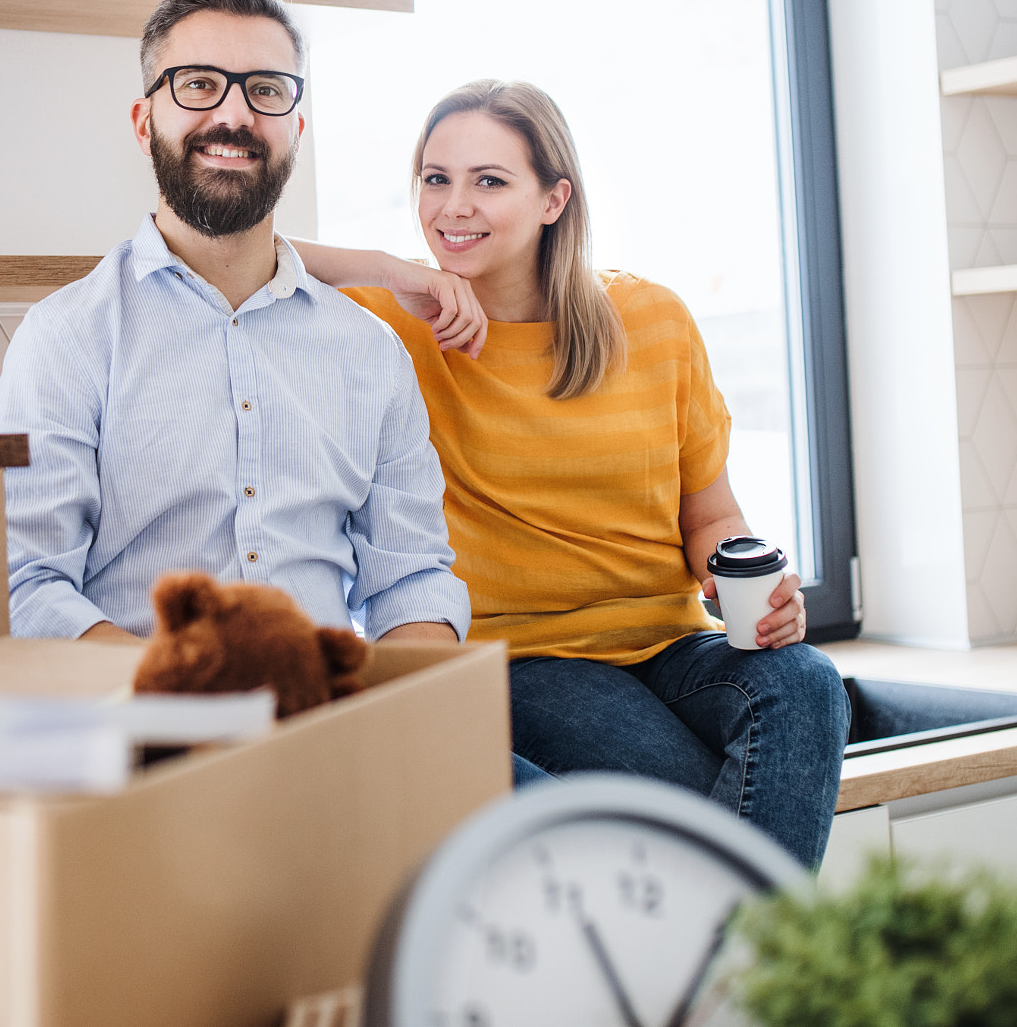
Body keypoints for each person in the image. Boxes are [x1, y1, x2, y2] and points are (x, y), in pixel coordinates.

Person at [297, 79, 850, 868]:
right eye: (435, 178)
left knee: (809, 685)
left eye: (489, 181)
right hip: (520, 660)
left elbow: (710, 517)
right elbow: (244, 262)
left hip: (672, 648)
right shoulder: (396, 325)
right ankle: (764, 972)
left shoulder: (652, 319)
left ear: (555, 198)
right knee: (690, 798)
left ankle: (730, 972)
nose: (454, 206)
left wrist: (746, 590)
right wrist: (395, 272)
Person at [0, 0, 476, 652]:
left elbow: (412, 579)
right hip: (142, 734)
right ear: (143, 119)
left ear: (296, 128)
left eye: (265, 90)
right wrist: (195, 697)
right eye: (198, 84)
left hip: (330, 723)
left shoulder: (371, 352)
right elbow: (25, 585)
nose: (234, 115)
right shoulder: (67, 338)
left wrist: (387, 718)